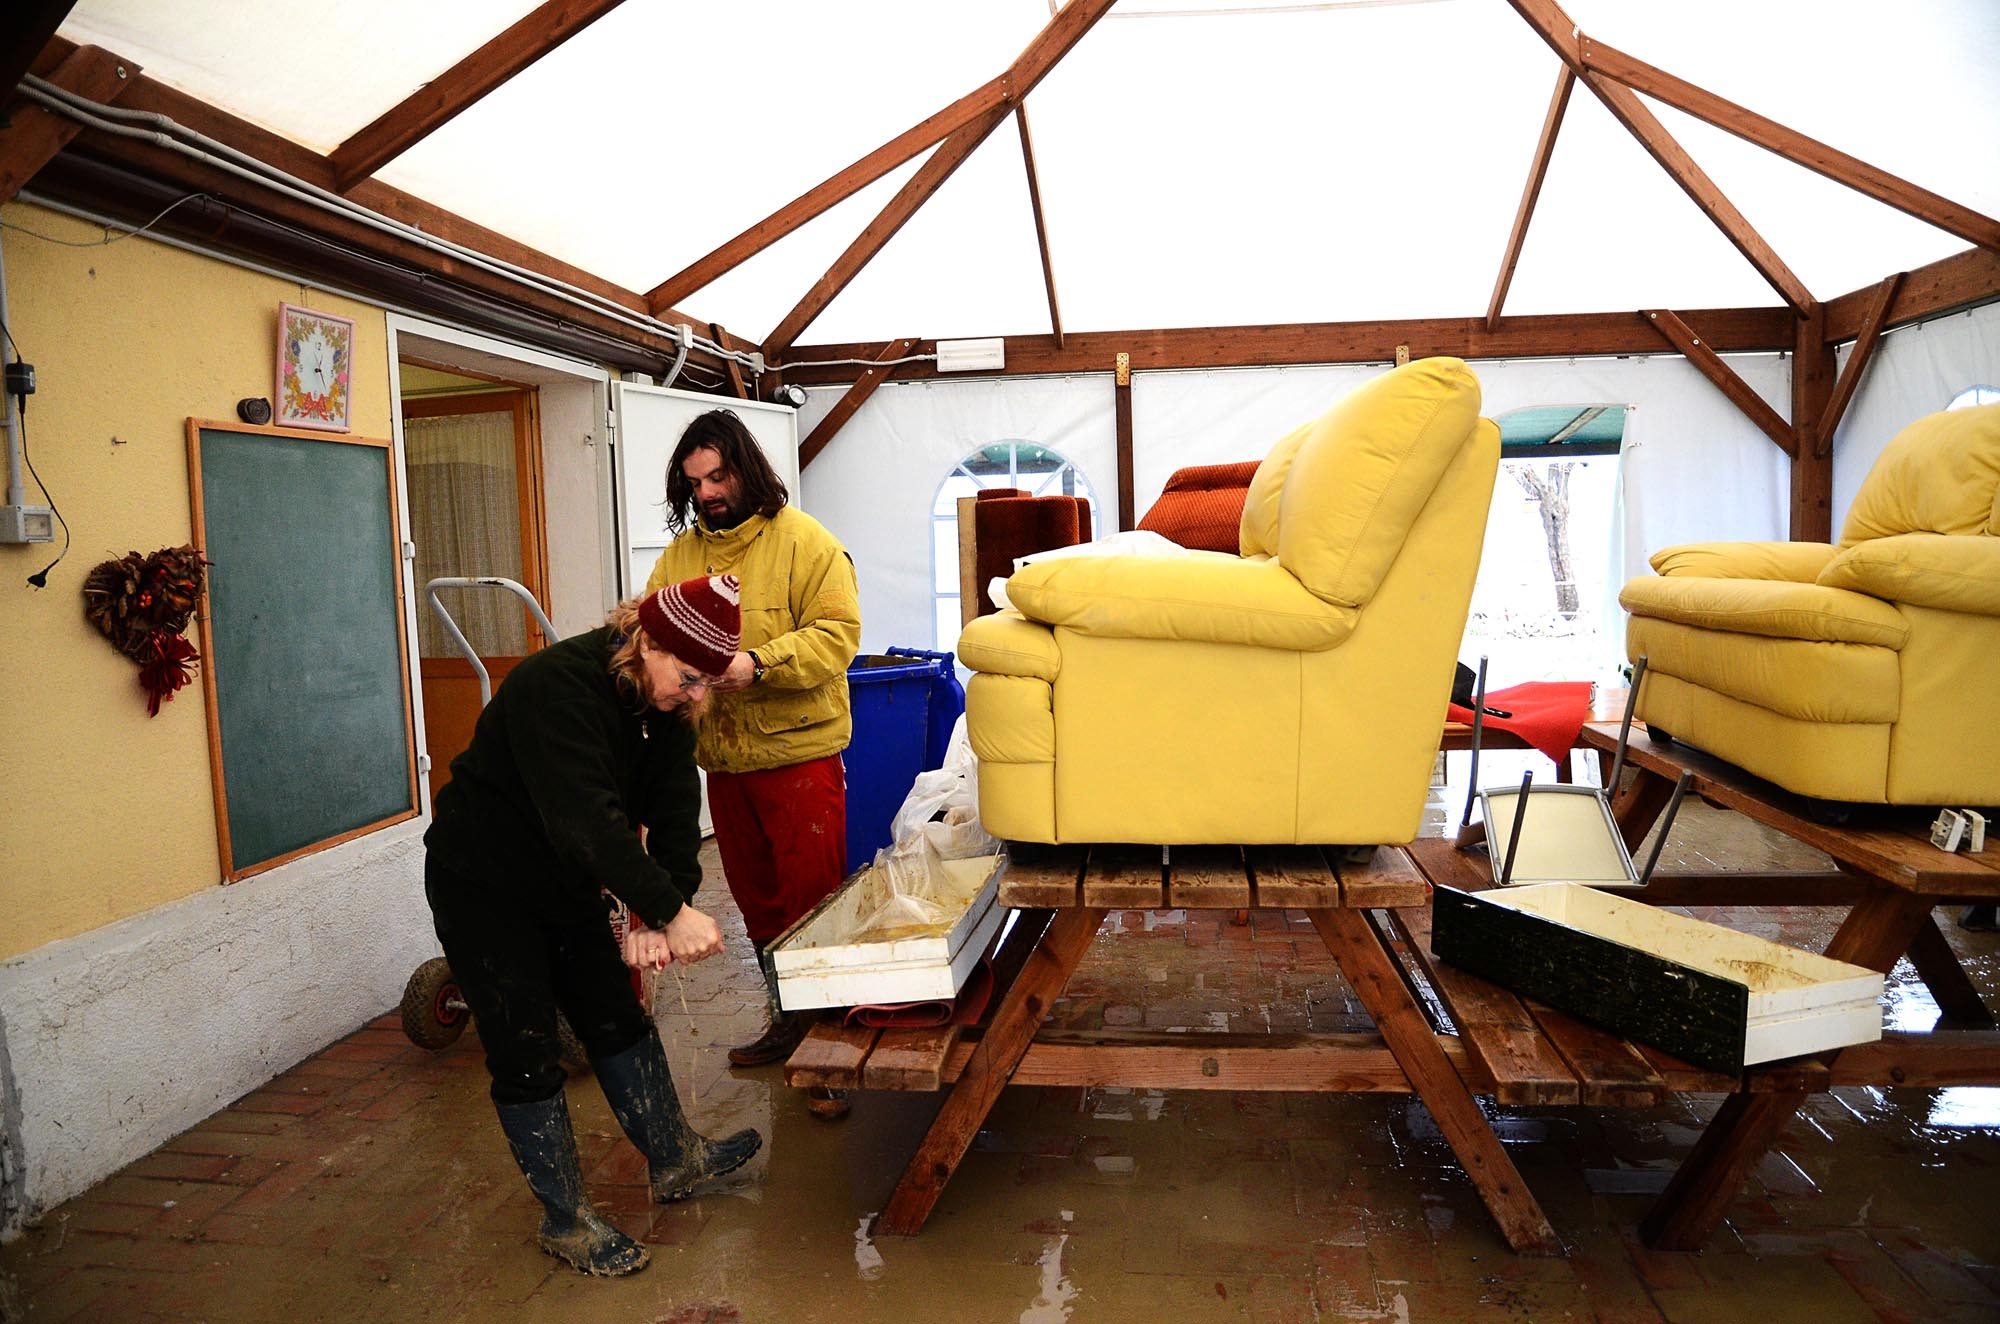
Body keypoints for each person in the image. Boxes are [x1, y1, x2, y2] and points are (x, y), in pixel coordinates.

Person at [422, 575, 763, 1278]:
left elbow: (672, 817)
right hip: (483, 880)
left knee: (613, 1011)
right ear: (646, 642)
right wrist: (669, 913)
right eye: (691, 677)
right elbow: (586, 822)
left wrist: (661, 916)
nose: (698, 695)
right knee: (526, 1045)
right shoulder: (559, 688)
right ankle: (566, 1220)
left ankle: (677, 1159)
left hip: (563, 877)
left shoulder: (664, 705)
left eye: (708, 683)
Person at [647, 409, 862, 1113]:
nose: (708, 493)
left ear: (746, 468)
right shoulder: (679, 560)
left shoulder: (808, 544)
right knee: (759, 905)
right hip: (725, 761)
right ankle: (788, 1023)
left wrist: (758, 663)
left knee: (812, 904)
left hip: (798, 754)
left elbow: (837, 638)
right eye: (695, 482)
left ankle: (829, 1047)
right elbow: (648, 632)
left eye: (718, 476)